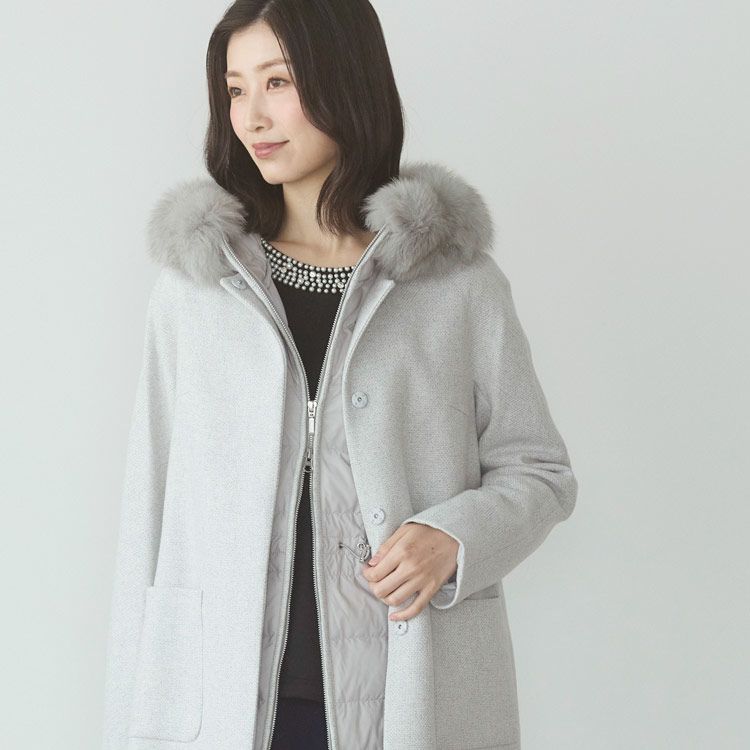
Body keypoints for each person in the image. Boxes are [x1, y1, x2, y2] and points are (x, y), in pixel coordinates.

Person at [101, 1, 578, 749]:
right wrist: (133, 715)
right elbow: (149, 512)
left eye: (278, 82)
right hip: (221, 704)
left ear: (345, 80)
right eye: (234, 89)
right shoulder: (198, 291)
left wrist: (453, 536)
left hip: (409, 697)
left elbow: (541, 471)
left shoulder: (456, 285)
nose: (252, 116)